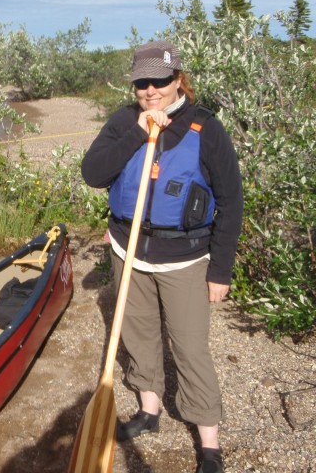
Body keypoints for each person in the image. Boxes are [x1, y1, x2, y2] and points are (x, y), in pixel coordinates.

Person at [81, 40, 243, 473]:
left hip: (185, 259)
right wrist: (138, 130)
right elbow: (93, 172)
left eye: (160, 81)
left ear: (178, 80)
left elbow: (231, 200)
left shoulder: (205, 128)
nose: (151, 90)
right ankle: (149, 412)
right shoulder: (122, 121)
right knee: (138, 336)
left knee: (190, 348)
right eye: (142, 83)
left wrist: (220, 270)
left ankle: (209, 443)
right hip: (128, 252)